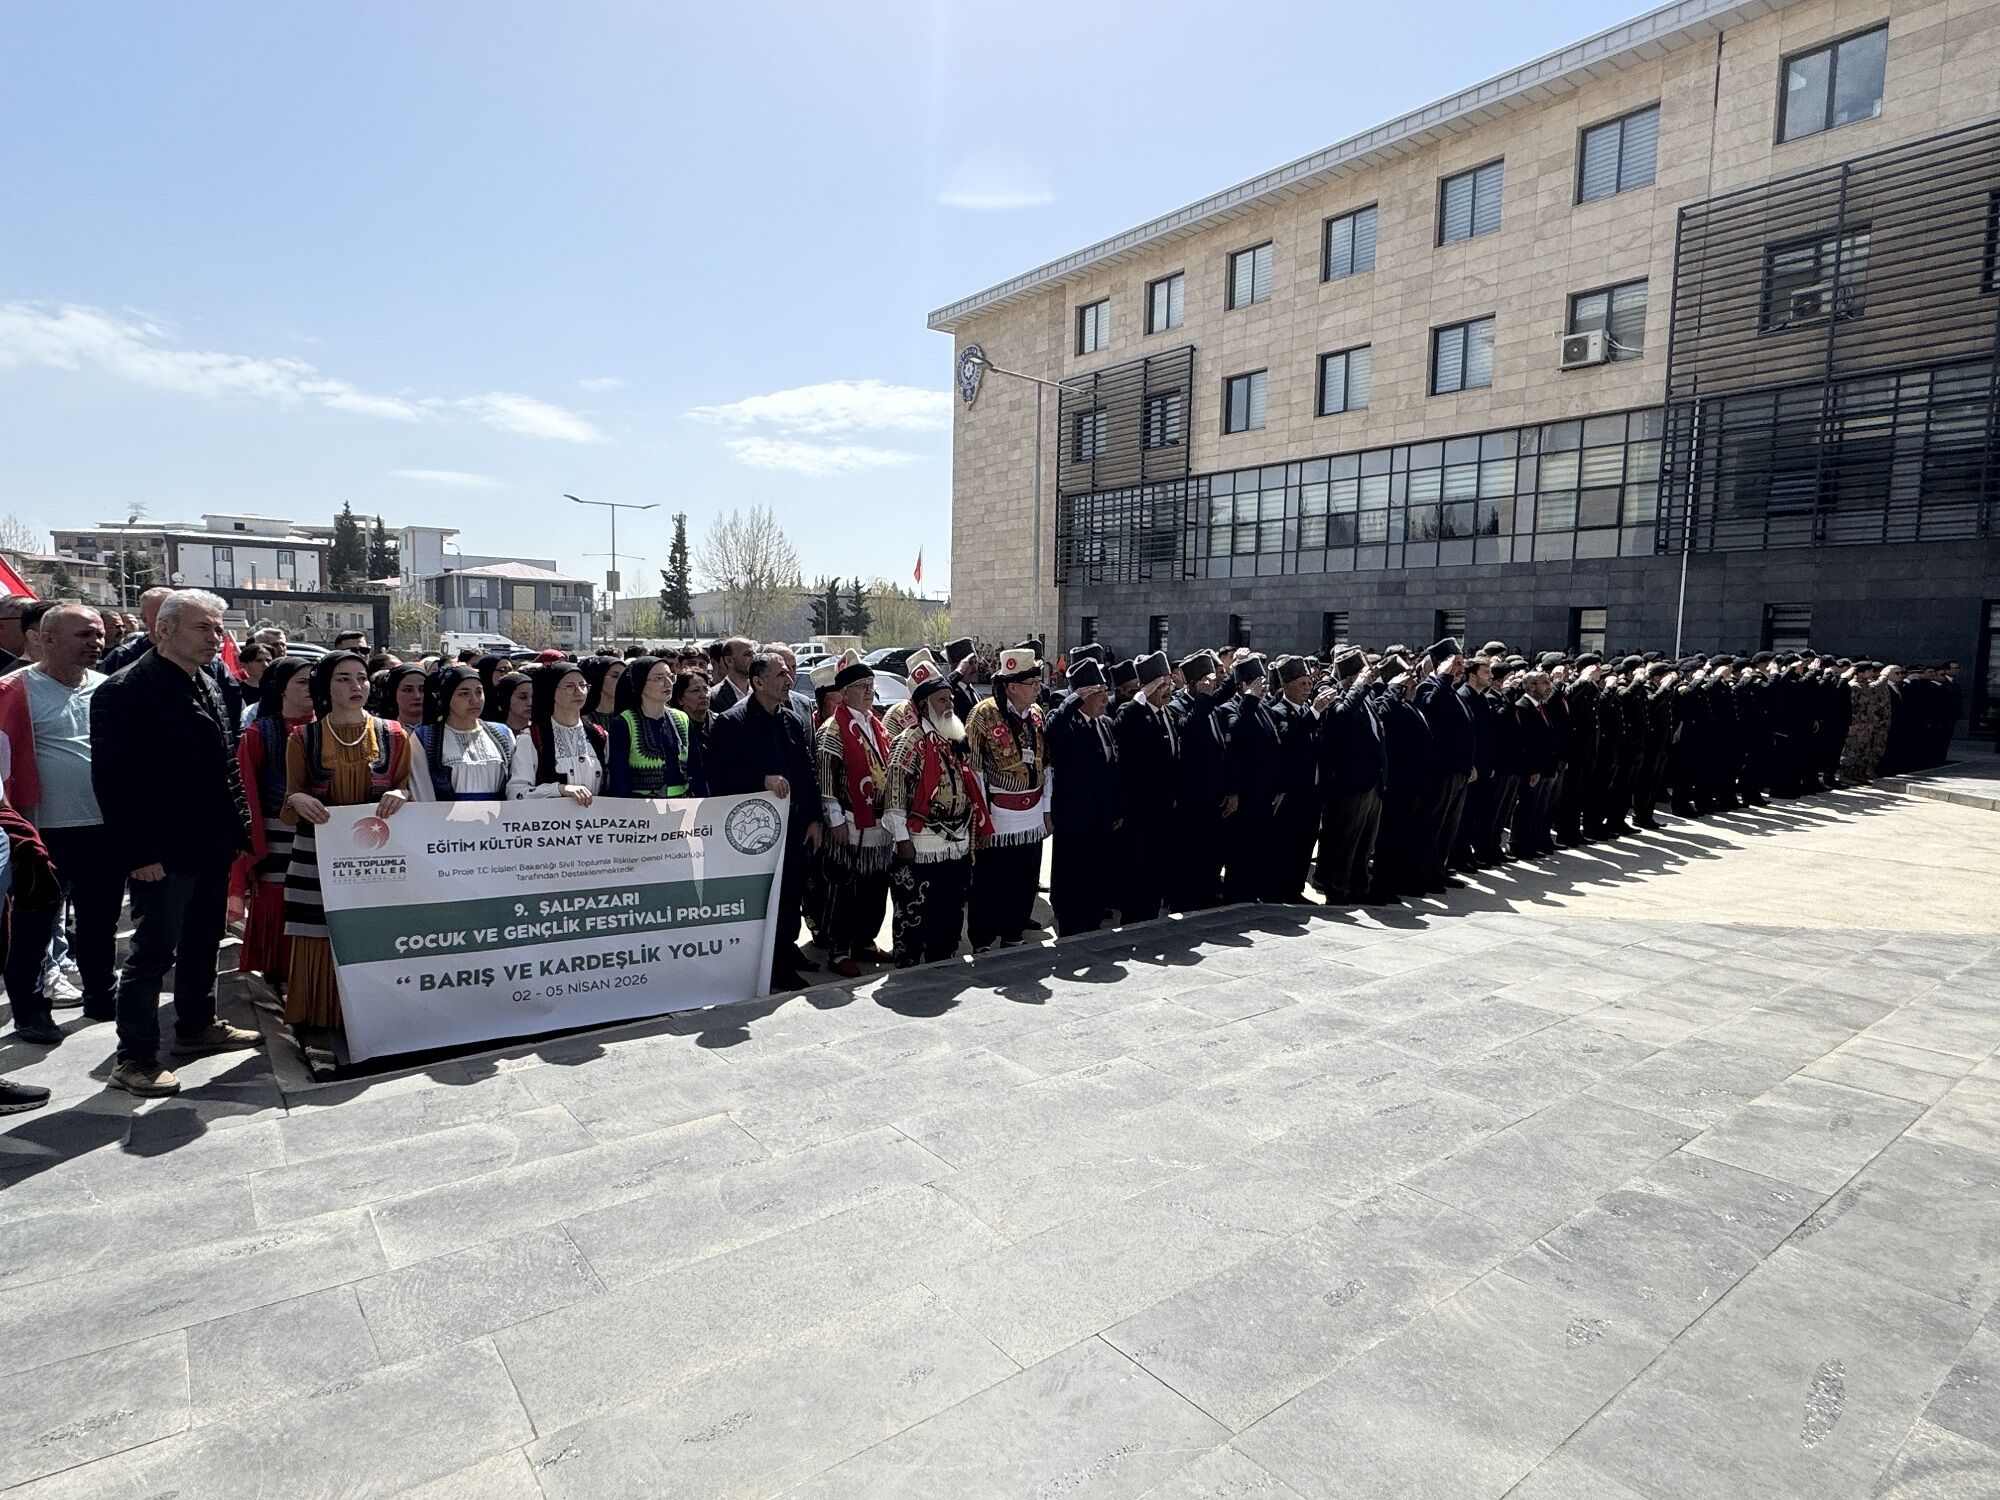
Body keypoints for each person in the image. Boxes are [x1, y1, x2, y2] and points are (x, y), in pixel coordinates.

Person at [91, 589, 260, 1096]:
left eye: (219, 628)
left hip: (211, 842)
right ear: (164, 631)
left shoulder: (207, 680)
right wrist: (139, 855)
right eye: (204, 628)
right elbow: (115, 784)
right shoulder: (125, 691)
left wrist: (236, 834)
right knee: (152, 952)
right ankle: (134, 1057)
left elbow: (223, 761)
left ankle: (196, 1025)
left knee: (203, 941)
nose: (217, 638)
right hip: (162, 851)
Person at [281, 651, 420, 1033]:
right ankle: (322, 1016)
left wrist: (402, 796)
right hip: (319, 853)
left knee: (376, 929)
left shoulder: (394, 734)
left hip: (379, 854)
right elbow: (291, 796)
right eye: (343, 678)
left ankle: (379, 1011)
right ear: (325, 685)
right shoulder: (303, 737)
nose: (356, 686)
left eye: (361, 677)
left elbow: (407, 787)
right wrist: (299, 799)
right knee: (321, 929)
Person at [0, 603, 118, 1045]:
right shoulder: (11, 691)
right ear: (46, 640)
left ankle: (101, 996)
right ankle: (30, 1011)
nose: (96, 643)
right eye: (84, 635)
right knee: (34, 925)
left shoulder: (107, 688)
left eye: (99, 635)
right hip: (40, 831)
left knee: (100, 920)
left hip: (104, 828)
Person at [709, 651, 824, 989]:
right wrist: (762, 780)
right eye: (779, 675)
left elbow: (806, 772)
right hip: (753, 834)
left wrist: (815, 818)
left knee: (791, 894)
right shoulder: (732, 722)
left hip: (793, 828)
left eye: (789, 673)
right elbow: (720, 776)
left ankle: (786, 954)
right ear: (758, 682)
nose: (788, 680)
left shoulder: (790, 719)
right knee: (764, 899)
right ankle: (770, 967)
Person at [884, 661, 986, 965]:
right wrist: (903, 840)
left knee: (951, 909)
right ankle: (911, 971)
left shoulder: (954, 739)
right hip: (921, 842)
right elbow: (894, 796)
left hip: (956, 842)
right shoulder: (908, 743)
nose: (949, 704)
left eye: (950, 698)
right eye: (942, 700)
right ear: (924, 705)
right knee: (914, 913)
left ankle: (944, 963)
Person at [232, 655, 314, 994]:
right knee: (282, 905)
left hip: (323, 837)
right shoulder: (258, 734)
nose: (312, 689)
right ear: (280, 688)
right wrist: (252, 849)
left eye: (315, 681)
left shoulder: (332, 727)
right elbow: (246, 795)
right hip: (278, 840)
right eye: (302, 682)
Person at [964, 644, 1050, 951]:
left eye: (1038, 682)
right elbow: (973, 771)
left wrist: (1046, 810)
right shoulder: (983, 715)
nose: (1038, 688)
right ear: (1012, 686)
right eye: (1032, 684)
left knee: (1025, 877)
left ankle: (1014, 930)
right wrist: (982, 817)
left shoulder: (1038, 714)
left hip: (1032, 811)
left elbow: (1046, 765)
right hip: (998, 812)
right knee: (990, 879)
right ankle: (983, 938)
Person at [815, 653, 894, 975]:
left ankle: (865, 939)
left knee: (875, 886)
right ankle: (838, 948)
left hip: (878, 821)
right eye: (861, 687)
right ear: (843, 693)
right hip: (847, 820)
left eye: (871, 686)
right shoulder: (833, 730)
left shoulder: (876, 724)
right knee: (844, 887)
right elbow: (825, 779)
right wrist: (834, 820)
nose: (868, 692)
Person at [1044, 657, 1122, 934]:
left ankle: (1092, 917)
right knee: (1072, 877)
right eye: (1098, 693)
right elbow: (1051, 730)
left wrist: (1116, 808)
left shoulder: (1105, 724)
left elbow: (1113, 770)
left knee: (1096, 876)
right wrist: (1072, 700)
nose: (1105, 700)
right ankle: (1069, 922)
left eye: (1105, 692)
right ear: (1082, 696)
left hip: (1101, 816)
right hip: (1075, 818)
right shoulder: (1068, 723)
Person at [1111, 651, 1179, 924]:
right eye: (1161, 687)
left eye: (1168, 686)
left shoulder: (1168, 714)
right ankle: (1134, 920)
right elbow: (1123, 727)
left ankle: (1149, 915)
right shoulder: (1132, 712)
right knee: (1138, 868)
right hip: (1140, 808)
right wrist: (1144, 693)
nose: (1167, 691)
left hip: (1164, 806)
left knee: (1157, 867)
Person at [1314, 648, 1385, 903]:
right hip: (1348, 785)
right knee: (1344, 840)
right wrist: (1359, 686)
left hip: (1372, 783)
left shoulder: (1365, 699)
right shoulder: (1336, 698)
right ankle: (1338, 889)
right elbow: (1341, 719)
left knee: (1365, 842)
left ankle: (1359, 886)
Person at [1218, 655, 1284, 903]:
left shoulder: (1264, 708)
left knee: (1260, 847)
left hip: (1266, 791)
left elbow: (1275, 747)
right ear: (1241, 686)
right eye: (1256, 683)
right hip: (1245, 793)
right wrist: (1250, 699)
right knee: (1241, 850)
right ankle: (1237, 896)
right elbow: (1237, 733)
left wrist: (1280, 786)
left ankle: (1255, 892)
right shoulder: (1231, 708)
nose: (1262, 687)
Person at [1170, 652, 1230, 912]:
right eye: (1207, 681)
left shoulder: (1210, 705)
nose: (1213, 685)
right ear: (1194, 683)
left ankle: (1206, 893)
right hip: (1191, 796)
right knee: (1189, 852)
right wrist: (1203, 699)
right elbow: (1188, 731)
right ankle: (1185, 900)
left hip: (1214, 794)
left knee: (1211, 851)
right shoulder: (1178, 705)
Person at [410, 665, 514, 802]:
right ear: (447, 697)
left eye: (479, 692)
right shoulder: (425, 738)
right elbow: (422, 792)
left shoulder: (502, 734)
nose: (475, 700)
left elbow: (513, 785)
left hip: (497, 819)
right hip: (446, 819)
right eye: (464, 693)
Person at [1265, 656, 1322, 902]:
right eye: (1302, 684)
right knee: (1287, 842)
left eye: (1310, 683)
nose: (1308, 688)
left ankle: (1296, 887)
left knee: (1307, 841)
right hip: (1291, 791)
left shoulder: (1310, 712)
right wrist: (1314, 713)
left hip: (1312, 789)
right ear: (1287, 686)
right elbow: (1289, 740)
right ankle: (1280, 889)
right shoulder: (1278, 712)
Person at [509, 662, 606, 802]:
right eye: (569, 686)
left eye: (583, 685)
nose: (579, 691)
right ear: (551, 690)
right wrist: (559, 789)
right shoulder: (532, 738)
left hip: (593, 822)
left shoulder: (599, 735)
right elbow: (516, 792)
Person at [606, 656, 700, 798]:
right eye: (659, 678)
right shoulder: (624, 722)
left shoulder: (682, 718)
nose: (668, 683)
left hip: (682, 803)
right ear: (640, 682)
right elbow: (619, 776)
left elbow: (696, 768)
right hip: (641, 809)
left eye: (670, 677)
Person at [96, 585, 174, 673]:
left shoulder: (191, 650)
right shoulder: (122, 657)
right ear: (144, 619)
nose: (171, 620)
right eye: (161, 615)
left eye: (175, 614)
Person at [671, 670, 716, 795]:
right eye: (696, 690)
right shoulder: (674, 728)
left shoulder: (721, 723)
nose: (703, 695)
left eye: (706, 689)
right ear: (680, 699)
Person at [708, 636, 755, 714]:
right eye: (747, 654)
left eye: (754, 654)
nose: (754, 658)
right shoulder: (713, 697)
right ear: (729, 660)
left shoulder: (761, 692)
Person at [372, 662, 428, 729]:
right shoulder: (380, 730)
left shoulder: (440, 730)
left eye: (422, 690)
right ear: (393, 693)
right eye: (408, 690)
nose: (417, 696)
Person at [581, 655, 626, 732]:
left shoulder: (628, 715)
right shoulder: (583, 717)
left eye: (624, 676)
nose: (622, 681)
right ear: (599, 678)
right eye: (615, 676)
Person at [485, 670, 533, 734]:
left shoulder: (542, 732)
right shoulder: (494, 733)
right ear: (506, 698)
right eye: (523, 697)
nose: (530, 703)